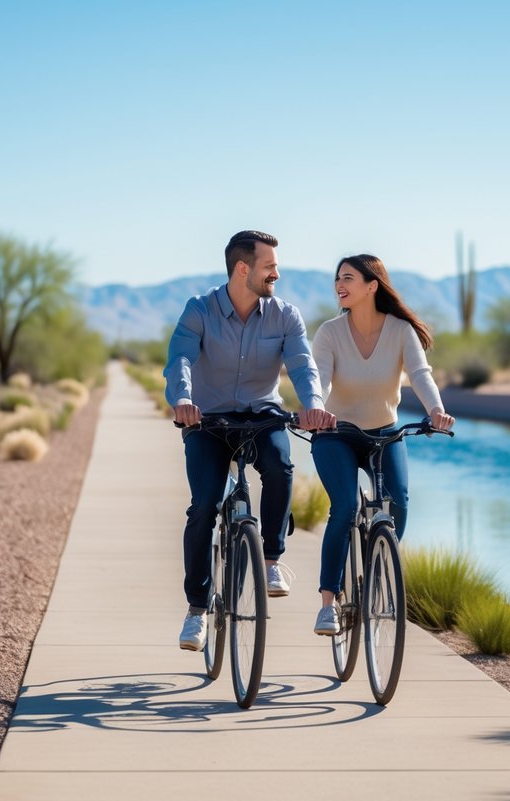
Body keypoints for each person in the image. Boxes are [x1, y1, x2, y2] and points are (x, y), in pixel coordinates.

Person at [164, 230, 336, 652]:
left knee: (281, 467)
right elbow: (179, 359)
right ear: (243, 269)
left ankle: (272, 560)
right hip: (208, 422)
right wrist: (183, 399)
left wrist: (313, 404)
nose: (276, 273)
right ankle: (196, 610)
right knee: (204, 505)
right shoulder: (200, 310)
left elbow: (302, 366)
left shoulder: (285, 315)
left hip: (262, 417)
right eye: (269, 266)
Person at [310, 254, 454, 636]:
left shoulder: (400, 331)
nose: (339, 285)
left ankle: (377, 568)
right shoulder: (329, 333)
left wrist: (436, 411)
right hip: (335, 433)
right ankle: (328, 603)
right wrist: (316, 408)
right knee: (344, 506)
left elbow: (420, 374)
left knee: (399, 504)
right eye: (337, 278)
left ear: (372, 286)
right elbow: (320, 378)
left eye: (349, 278)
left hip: (384, 434)